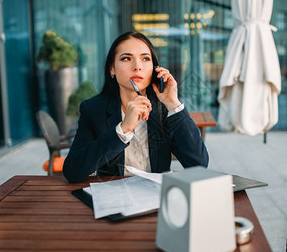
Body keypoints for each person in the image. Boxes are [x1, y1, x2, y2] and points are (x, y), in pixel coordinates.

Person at [63, 31, 209, 182]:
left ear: (155, 68)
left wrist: (173, 103)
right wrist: (122, 129)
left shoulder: (165, 108)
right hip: (115, 196)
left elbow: (199, 164)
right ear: (112, 69)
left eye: (145, 59)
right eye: (126, 58)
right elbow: (72, 171)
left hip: (156, 196)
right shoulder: (93, 109)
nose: (137, 67)